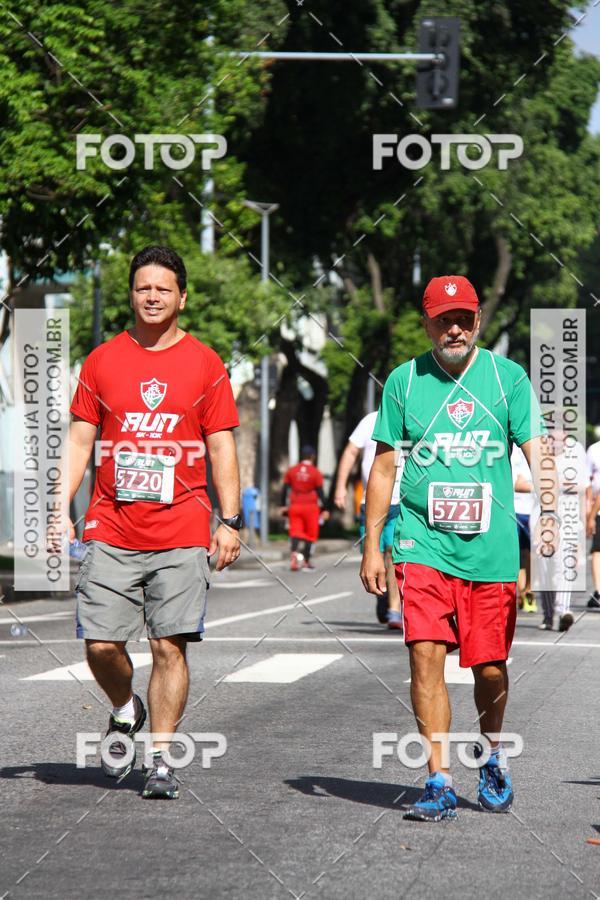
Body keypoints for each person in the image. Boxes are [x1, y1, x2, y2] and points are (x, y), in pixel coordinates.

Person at [360, 275, 557, 822]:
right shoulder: (403, 381)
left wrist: (549, 517)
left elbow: (538, 454)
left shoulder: (507, 378)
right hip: (422, 543)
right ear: (426, 323)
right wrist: (373, 544)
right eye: (443, 318)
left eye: (463, 318)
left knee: (489, 667)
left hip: (490, 551)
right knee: (424, 653)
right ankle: (438, 780)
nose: (454, 327)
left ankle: (492, 752)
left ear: (477, 321)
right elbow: (383, 466)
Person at [66, 245, 241, 799]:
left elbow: (221, 447)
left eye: (163, 288)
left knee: (170, 646)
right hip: (111, 525)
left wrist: (230, 519)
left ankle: (161, 759)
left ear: (181, 298)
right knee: (99, 643)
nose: (153, 296)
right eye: (144, 287)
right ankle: (124, 708)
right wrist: (56, 508)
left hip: (182, 528)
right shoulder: (101, 361)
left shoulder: (205, 363)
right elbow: (79, 441)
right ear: (132, 294)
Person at [334, 411, 404, 630]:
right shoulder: (371, 420)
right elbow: (351, 451)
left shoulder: (413, 416)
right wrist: (340, 488)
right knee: (373, 552)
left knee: (392, 554)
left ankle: (394, 609)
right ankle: (382, 594)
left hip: (402, 500)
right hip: (372, 502)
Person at [534, 428, 587, 632]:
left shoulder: (575, 456)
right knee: (545, 569)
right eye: (552, 439)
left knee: (564, 566)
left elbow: (583, 487)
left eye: (560, 439)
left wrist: (583, 521)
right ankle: (548, 615)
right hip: (542, 520)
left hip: (570, 520)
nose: (557, 443)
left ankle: (563, 610)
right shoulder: (540, 458)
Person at [280, 446, 329, 570]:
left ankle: (294, 556)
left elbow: (285, 488)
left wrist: (282, 505)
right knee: (310, 533)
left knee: (295, 531)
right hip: (310, 506)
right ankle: (306, 560)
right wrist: (326, 508)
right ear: (313, 456)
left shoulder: (292, 471)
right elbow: (320, 492)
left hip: (295, 505)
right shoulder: (315, 472)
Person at [510, 444, 537, 613]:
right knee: (518, 553)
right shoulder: (512, 449)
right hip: (514, 509)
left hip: (533, 510)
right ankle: (522, 593)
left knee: (531, 555)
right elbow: (516, 483)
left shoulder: (537, 446)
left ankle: (528, 590)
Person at [586, 431, 600, 608]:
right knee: (597, 550)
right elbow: (587, 481)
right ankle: (598, 590)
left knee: (597, 551)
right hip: (597, 508)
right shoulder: (594, 450)